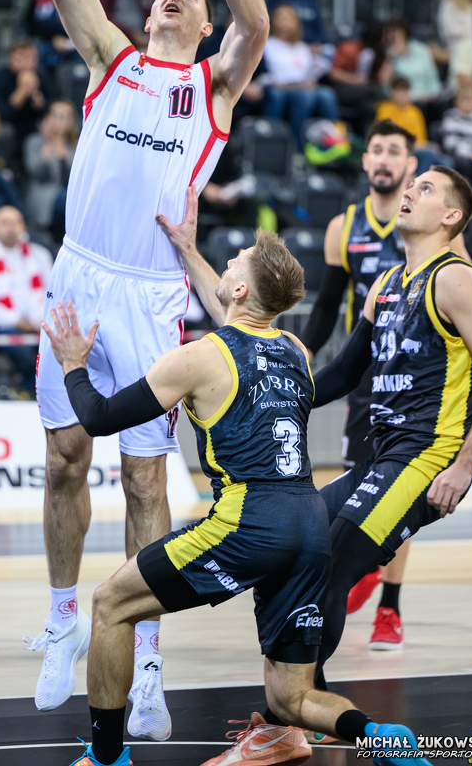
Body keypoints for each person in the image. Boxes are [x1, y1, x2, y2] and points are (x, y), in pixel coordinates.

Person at [40, 212, 433, 766]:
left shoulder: (197, 358)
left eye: (235, 263)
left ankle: (106, 758)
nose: (226, 265)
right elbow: (247, 320)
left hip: (249, 522)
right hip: (309, 526)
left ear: (243, 289)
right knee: (291, 699)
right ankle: (380, 735)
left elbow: (100, 418)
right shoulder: (294, 350)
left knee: (109, 604)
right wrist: (188, 250)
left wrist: (73, 365)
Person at [32, 0, 269, 734]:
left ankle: (146, 664)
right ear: (146, 14)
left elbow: (257, 27)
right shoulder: (113, 61)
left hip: (149, 293)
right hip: (77, 277)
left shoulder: (211, 89)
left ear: (203, 26)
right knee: (63, 458)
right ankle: (63, 620)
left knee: (142, 482)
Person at [312, 165, 472, 687]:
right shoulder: (387, 282)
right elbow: (344, 371)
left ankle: (297, 705)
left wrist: (465, 466)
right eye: (412, 184)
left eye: (426, 189)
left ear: (451, 216)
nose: (409, 191)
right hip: (384, 456)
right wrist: (280, 397)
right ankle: (298, 701)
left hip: (427, 459)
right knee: (301, 538)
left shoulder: (457, 279)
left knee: (332, 561)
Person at [302, 121, 469, 649]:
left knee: (390, 496)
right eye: (375, 149)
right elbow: (328, 309)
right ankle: (362, 558)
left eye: (394, 152)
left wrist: (466, 459)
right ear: (364, 160)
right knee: (352, 500)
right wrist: (299, 366)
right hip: (369, 380)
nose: (383, 160)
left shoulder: (443, 245)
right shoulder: (346, 228)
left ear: (408, 164)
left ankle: (389, 606)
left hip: (421, 396)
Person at [0, 205, 52, 397]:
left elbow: (51, 293)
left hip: (38, 323)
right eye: (4, 223)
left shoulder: (40, 255)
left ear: (23, 226)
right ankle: (30, 391)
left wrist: (37, 320)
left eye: (15, 223)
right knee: (19, 348)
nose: (10, 228)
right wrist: (16, 321)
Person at [260, 4, 339, 146]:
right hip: (279, 86)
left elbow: (309, 72)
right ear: (272, 21)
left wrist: (312, 79)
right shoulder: (266, 44)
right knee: (304, 97)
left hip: (302, 85)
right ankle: (297, 144)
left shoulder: (302, 47)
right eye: (280, 19)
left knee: (327, 94)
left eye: (289, 19)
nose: (284, 24)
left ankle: (333, 139)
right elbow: (263, 72)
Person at [23, 100, 80, 231]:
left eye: (66, 116)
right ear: (47, 118)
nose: (62, 120)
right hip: (45, 195)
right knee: (68, 200)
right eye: (58, 115)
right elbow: (35, 172)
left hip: (71, 194)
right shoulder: (36, 141)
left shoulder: (76, 144)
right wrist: (48, 146)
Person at [0, 39, 53, 141]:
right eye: (23, 57)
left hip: (33, 126)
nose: (27, 62)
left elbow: (48, 108)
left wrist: (35, 93)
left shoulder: (41, 76)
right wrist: (22, 92)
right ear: (11, 58)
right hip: (8, 126)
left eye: (32, 58)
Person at [439, 85, 472, 185]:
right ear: (456, 102)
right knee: (463, 163)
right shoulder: (450, 116)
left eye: (471, 100)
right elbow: (450, 143)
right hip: (461, 155)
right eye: (465, 100)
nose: (468, 103)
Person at [386, 17, 441, 106]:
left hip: (425, 99)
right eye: (392, 37)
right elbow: (384, 83)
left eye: (398, 36)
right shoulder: (389, 54)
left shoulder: (422, 50)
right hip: (400, 101)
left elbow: (433, 79)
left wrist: (430, 95)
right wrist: (391, 57)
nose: (395, 39)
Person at [376, 76, 428, 144]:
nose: (402, 95)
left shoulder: (415, 112)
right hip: (392, 145)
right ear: (393, 92)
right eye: (399, 91)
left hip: (412, 146)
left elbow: (421, 138)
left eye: (405, 91)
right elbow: (382, 132)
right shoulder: (384, 108)